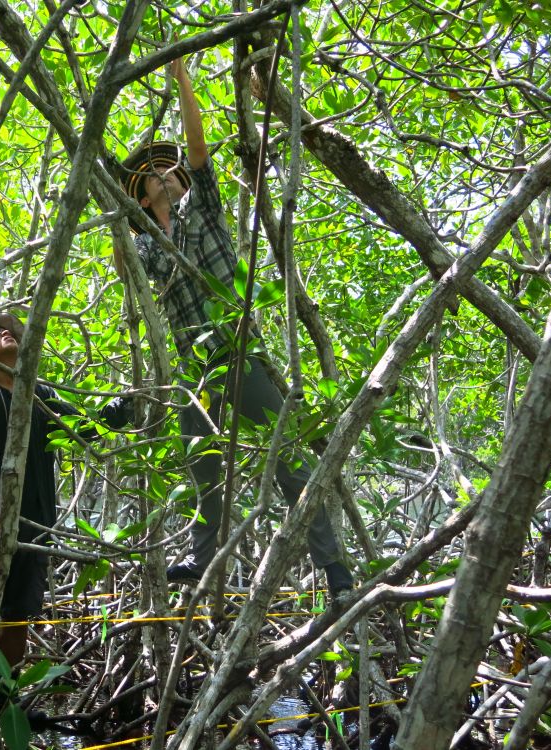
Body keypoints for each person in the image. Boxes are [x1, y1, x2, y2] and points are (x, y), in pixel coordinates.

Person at [117, 58, 354, 600]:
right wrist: (120, 213)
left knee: (291, 464)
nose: (166, 176)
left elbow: (197, 151)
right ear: (142, 194)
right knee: (204, 474)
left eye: (168, 171)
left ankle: (336, 574)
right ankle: (205, 567)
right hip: (196, 375)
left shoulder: (202, 207)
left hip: (238, 354)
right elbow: (127, 263)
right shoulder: (150, 243)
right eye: (155, 175)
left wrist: (182, 83)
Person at [0, 311, 130, 671]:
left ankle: (3, 695)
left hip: (34, 521)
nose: (6, 334)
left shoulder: (41, 395)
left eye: (11, 332)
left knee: (18, 614)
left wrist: (118, 412)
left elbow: (81, 428)